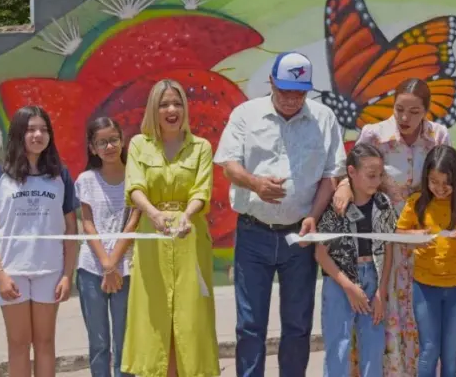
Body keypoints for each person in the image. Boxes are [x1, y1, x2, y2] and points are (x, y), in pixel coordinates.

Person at [215, 52, 346, 377]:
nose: (291, 99)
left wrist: (314, 214)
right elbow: (229, 164)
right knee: (249, 324)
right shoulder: (247, 114)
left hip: (299, 236)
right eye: (285, 90)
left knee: (298, 324)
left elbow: (332, 174)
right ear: (271, 82)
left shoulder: (324, 118)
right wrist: (255, 183)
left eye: (299, 93)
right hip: (253, 233)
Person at [331, 78, 456, 375]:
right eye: (399, 110)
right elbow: (354, 169)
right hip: (384, 241)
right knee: (386, 310)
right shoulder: (374, 135)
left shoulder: (438, 136)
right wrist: (344, 185)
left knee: (422, 321)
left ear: (427, 111)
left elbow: (453, 177)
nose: (405, 118)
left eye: (414, 111)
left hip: (425, 241)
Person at [121, 79, 219, 377]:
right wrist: (153, 213)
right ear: (154, 109)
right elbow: (134, 186)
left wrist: (187, 215)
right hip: (152, 238)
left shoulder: (201, 147)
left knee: (190, 319)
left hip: (190, 240)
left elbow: (202, 191)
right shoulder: (139, 144)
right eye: (164, 104)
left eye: (177, 103)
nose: (171, 110)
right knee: (155, 315)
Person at [0, 105, 79, 377]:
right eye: (31, 129)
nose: (38, 135)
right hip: (12, 273)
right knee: (19, 344)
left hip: (49, 272)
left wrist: (67, 275)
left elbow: (71, 229)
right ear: (19, 133)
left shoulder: (60, 175)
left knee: (45, 342)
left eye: (43, 130)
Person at [395, 145, 456, 377]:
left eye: (446, 183)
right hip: (425, 288)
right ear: (426, 177)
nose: (440, 188)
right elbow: (398, 235)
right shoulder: (417, 203)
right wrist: (413, 236)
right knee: (429, 348)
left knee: (451, 352)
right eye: (433, 181)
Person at [315, 144, 396, 377]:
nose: (376, 180)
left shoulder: (383, 203)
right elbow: (320, 253)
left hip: (374, 277)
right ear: (351, 172)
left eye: (380, 175)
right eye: (371, 175)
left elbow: (388, 245)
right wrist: (349, 286)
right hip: (339, 282)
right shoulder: (337, 205)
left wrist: (381, 292)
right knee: (338, 346)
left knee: (373, 346)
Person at [76, 117, 140, 377]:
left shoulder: (135, 177)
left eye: (113, 139)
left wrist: (114, 263)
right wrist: (105, 263)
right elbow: (88, 224)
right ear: (92, 148)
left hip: (127, 268)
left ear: (122, 141)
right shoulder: (86, 180)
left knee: (125, 341)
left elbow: (134, 221)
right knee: (99, 342)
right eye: (101, 142)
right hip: (92, 269)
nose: (109, 146)